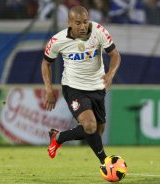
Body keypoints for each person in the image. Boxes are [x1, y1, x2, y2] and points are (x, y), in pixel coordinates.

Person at [41, 6, 121, 169]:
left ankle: (58, 137)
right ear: (69, 23)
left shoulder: (98, 31)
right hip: (74, 88)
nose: (83, 26)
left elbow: (115, 55)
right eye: (78, 23)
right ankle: (106, 163)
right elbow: (46, 63)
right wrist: (49, 89)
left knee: (96, 131)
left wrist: (110, 74)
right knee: (89, 125)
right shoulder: (58, 40)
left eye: (85, 22)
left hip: (98, 87)